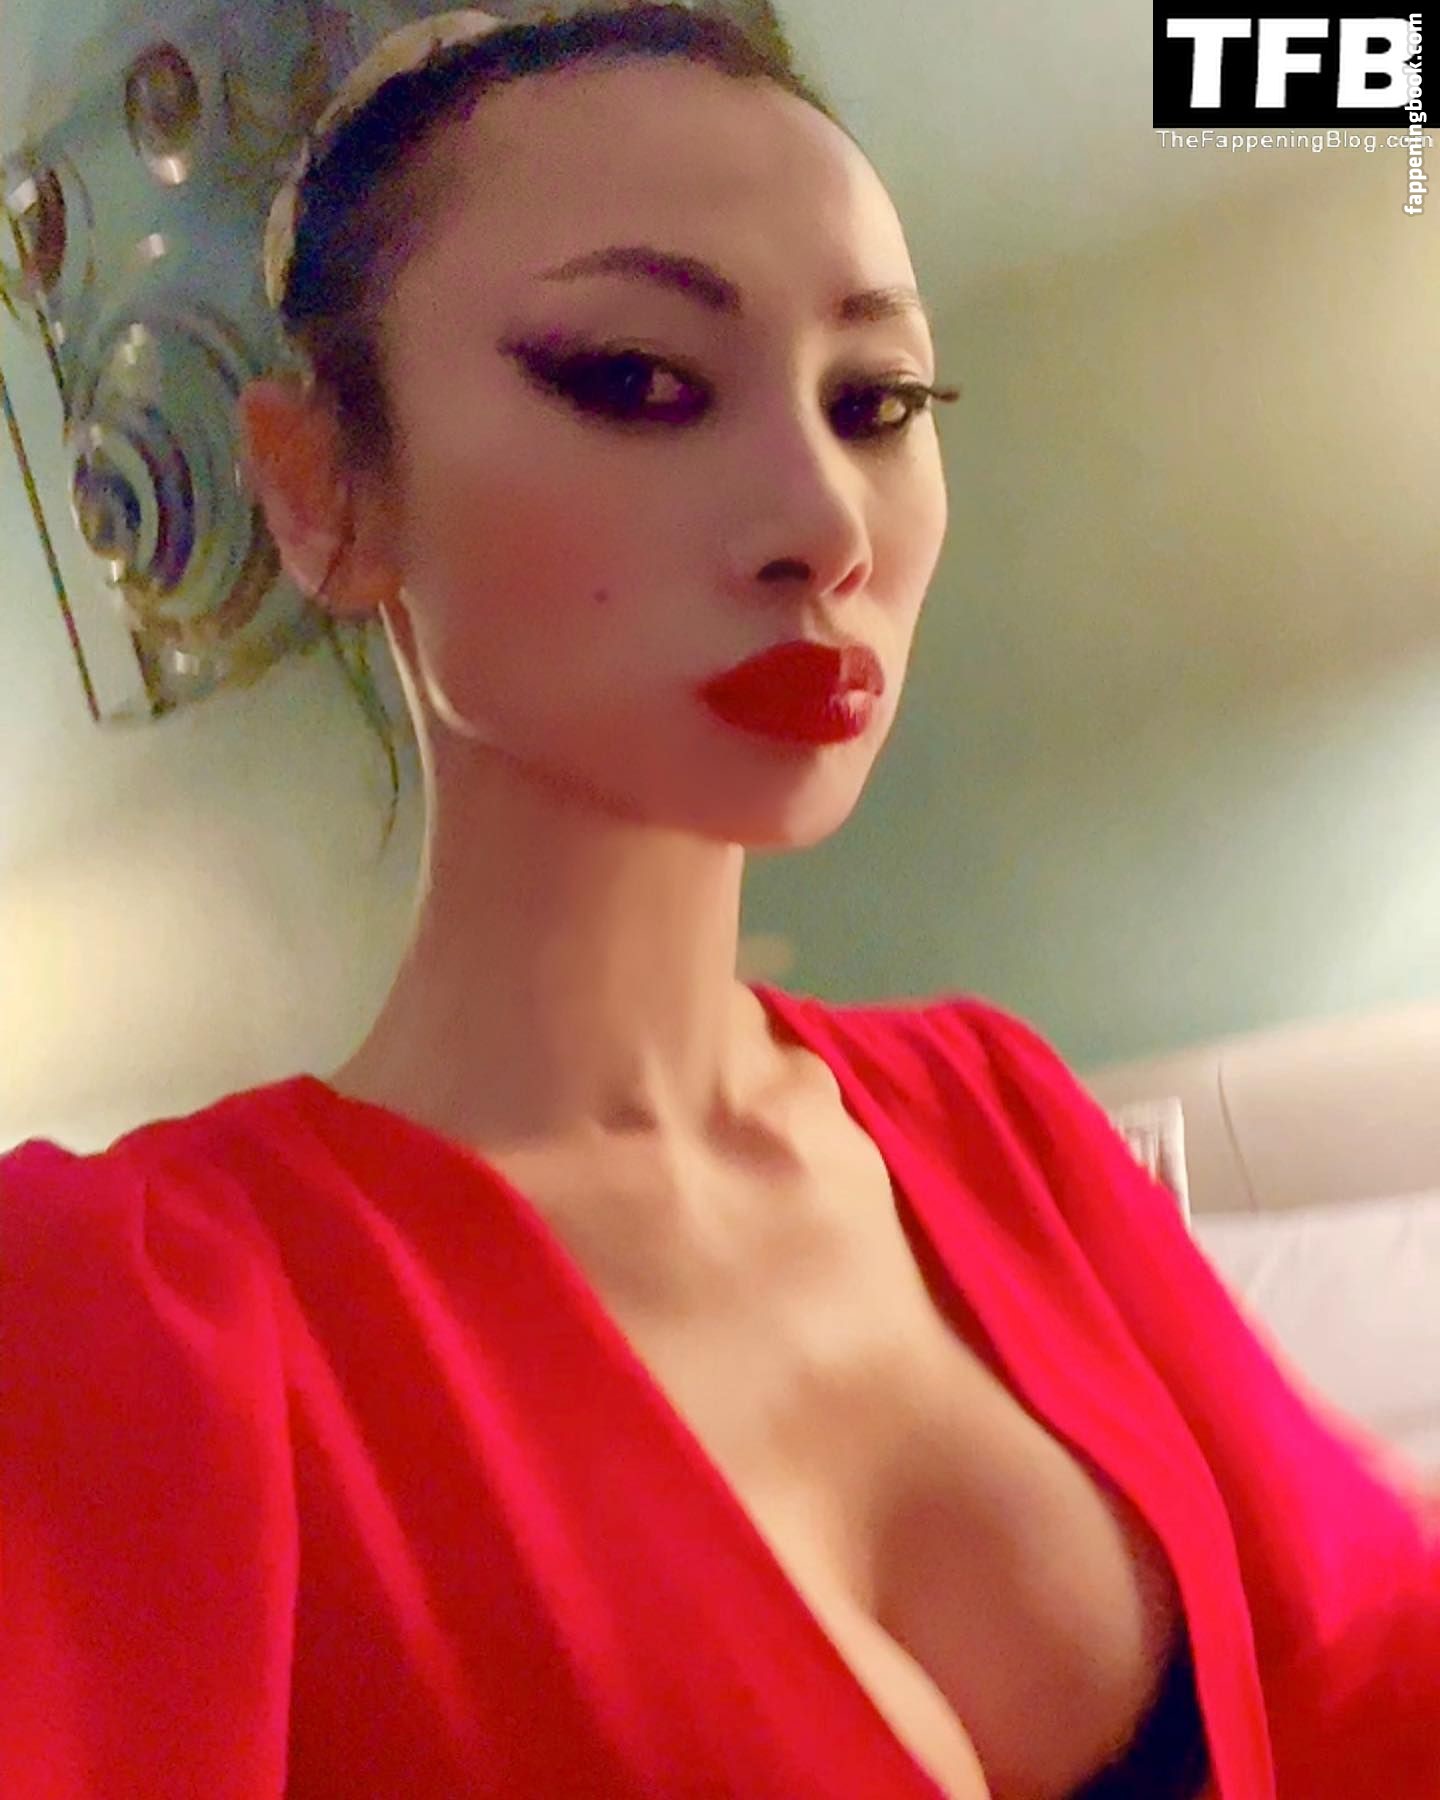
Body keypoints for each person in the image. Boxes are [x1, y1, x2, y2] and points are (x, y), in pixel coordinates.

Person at [1, 8, 1437, 1798]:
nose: (824, 518)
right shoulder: (130, 1319)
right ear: (320, 494)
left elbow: (1374, 1659)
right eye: (635, 379)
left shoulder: (993, 1115)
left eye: (876, 402)